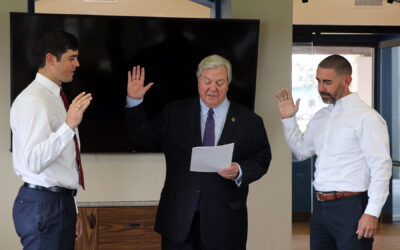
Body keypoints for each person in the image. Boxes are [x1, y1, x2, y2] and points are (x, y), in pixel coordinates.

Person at [125, 54, 271, 250]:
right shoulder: (174, 113)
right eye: (207, 81)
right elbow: (145, 139)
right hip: (179, 219)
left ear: (228, 84)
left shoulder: (250, 121)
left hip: (225, 223)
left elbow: (262, 158)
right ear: (198, 81)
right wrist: (135, 101)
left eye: (219, 82)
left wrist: (239, 170)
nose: (213, 88)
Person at [275, 54, 392, 250]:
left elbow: (381, 167)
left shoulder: (367, 118)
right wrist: (288, 120)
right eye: (318, 81)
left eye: (327, 82)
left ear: (347, 81)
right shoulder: (321, 116)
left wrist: (372, 213)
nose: (321, 88)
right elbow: (302, 151)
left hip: (351, 207)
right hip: (320, 208)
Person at [10, 29, 92, 250]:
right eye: (71, 58)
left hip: (58, 203)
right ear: (50, 59)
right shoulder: (34, 101)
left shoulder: (56, 97)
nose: (77, 64)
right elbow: (34, 162)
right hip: (44, 205)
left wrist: (72, 209)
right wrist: (69, 126)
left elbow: (65, 163)